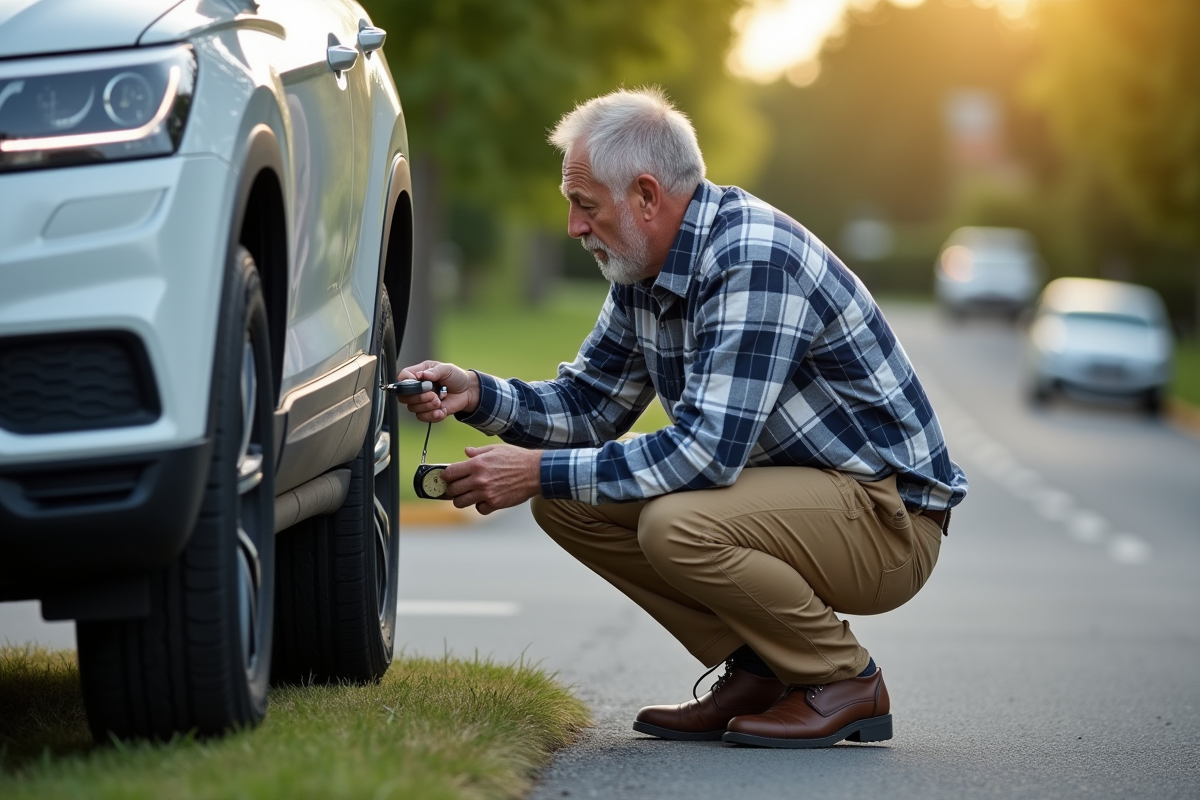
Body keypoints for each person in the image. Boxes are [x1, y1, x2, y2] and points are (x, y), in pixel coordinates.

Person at [395, 87, 967, 749]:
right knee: (567, 503)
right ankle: (765, 668)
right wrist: (478, 395)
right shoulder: (643, 266)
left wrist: (538, 470)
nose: (575, 227)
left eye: (586, 206)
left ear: (646, 195)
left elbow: (706, 455)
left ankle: (843, 679)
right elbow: (590, 406)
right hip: (801, 499)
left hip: (887, 523)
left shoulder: (754, 258)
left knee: (674, 523)